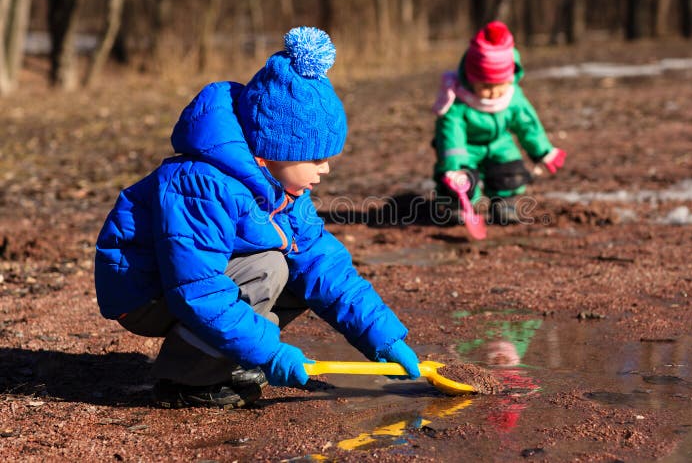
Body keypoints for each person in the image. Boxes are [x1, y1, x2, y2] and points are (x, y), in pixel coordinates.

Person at [94, 27, 420, 409]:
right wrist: (269, 352)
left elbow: (323, 264)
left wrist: (380, 335)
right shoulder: (202, 184)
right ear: (270, 152)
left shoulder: (284, 189)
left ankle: (224, 358)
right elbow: (197, 289)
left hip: (191, 284)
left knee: (300, 271)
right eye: (315, 159)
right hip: (146, 290)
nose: (326, 169)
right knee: (269, 267)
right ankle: (187, 380)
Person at [431, 21, 566, 224]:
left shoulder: (512, 98)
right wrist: (455, 166)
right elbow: (451, 136)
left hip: (499, 143)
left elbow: (527, 125)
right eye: (485, 86)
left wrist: (542, 151)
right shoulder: (458, 101)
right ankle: (456, 205)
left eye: (499, 85)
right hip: (466, 148)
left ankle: (504, 204)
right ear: (471, 78)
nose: (494, 92)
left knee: (509, 170)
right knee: (460, 181)